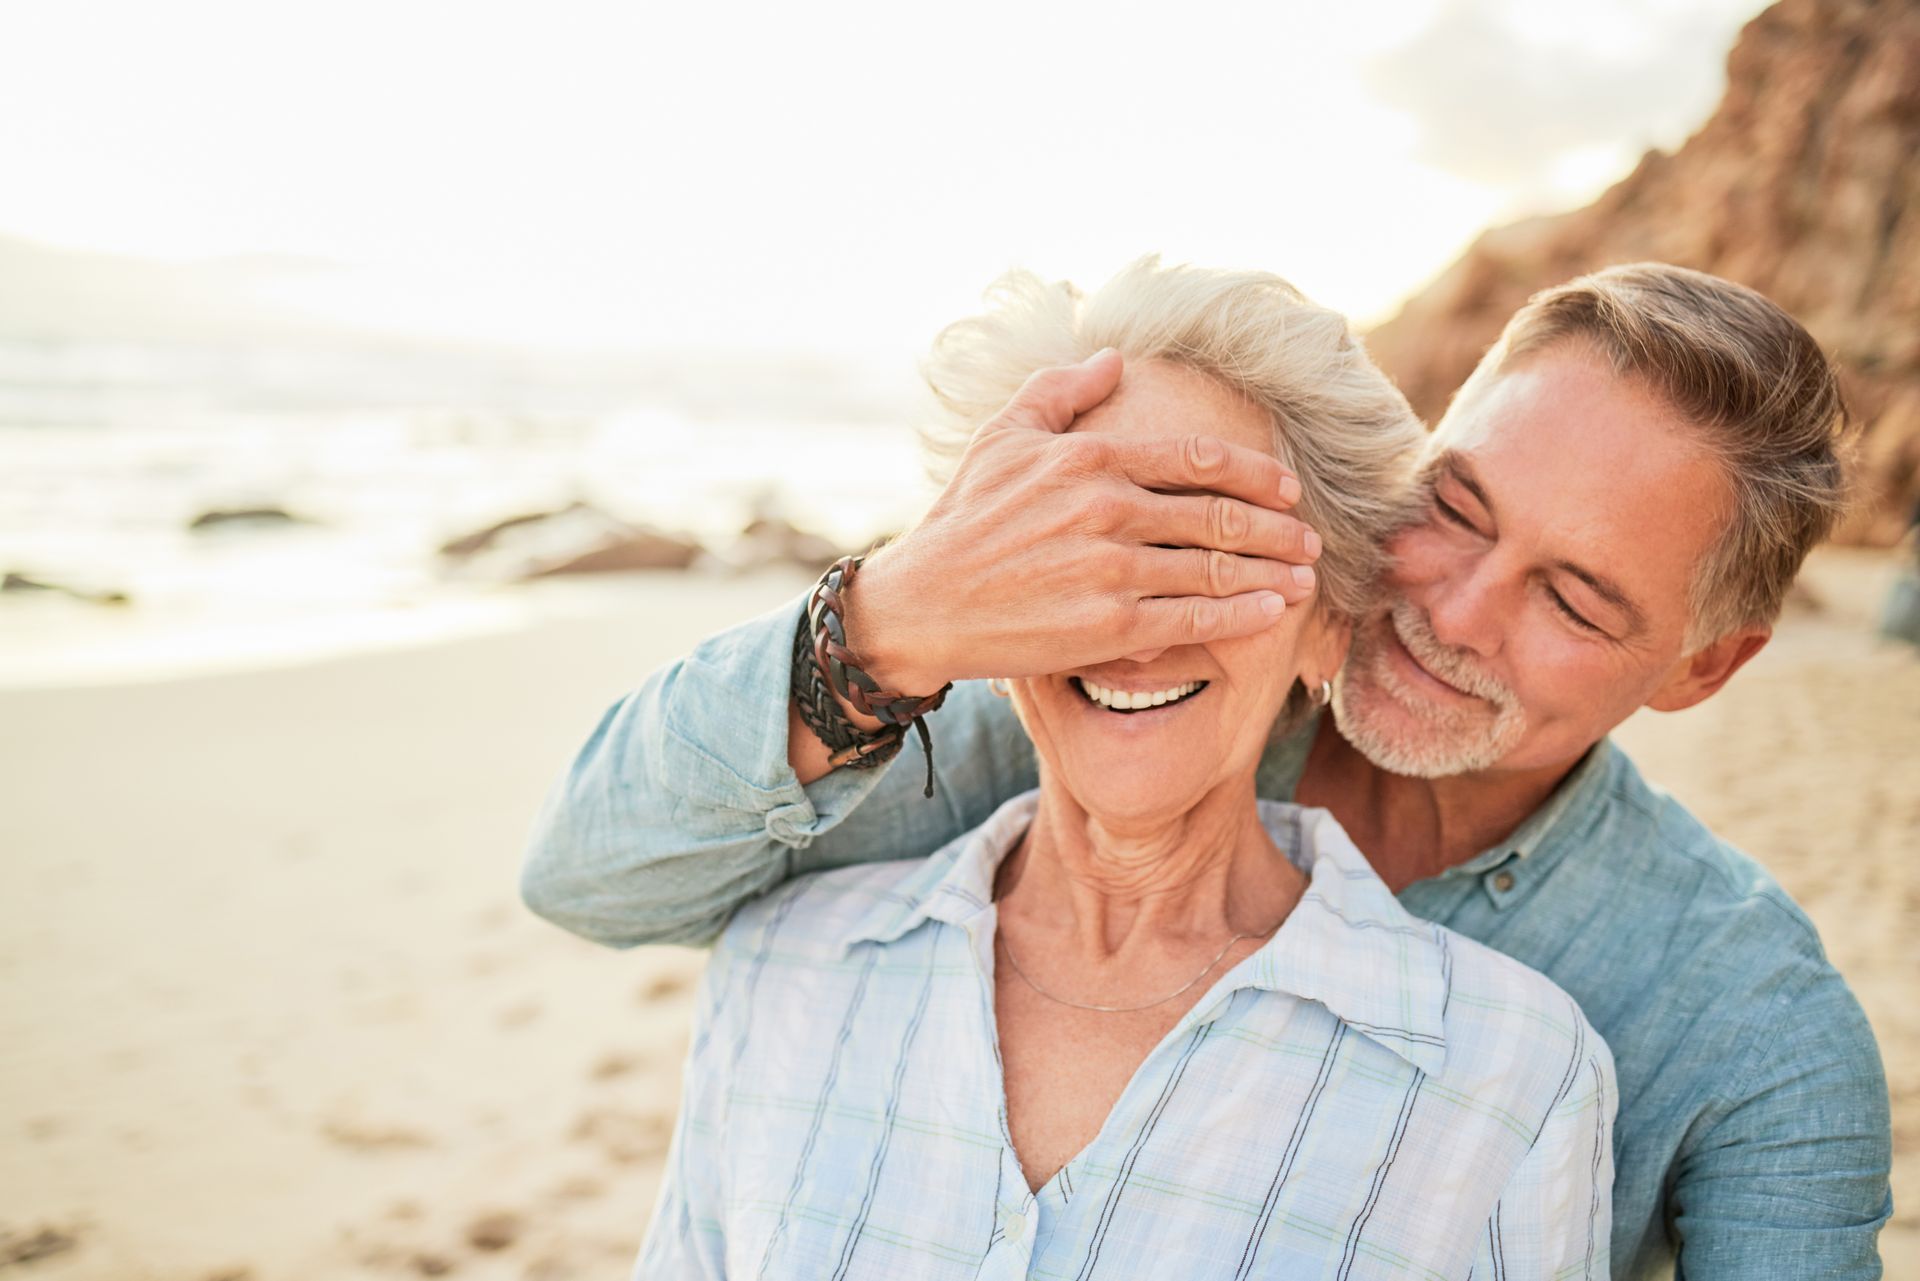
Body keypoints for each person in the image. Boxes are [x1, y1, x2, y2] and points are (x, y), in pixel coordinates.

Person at [523, 262, 1893, 1279]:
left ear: (1699, 670)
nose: (1457, 608)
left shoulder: (1746, 1035)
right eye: (1455, 507)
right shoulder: (1086, 715)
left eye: (1574, 600)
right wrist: (888, 621)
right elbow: (596, 872)